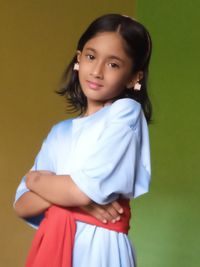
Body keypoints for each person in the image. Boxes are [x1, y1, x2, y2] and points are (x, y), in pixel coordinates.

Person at [14, 13, 152, 267]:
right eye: (91, 57)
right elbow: (22, 204)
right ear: (79, 58)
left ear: (134, 77)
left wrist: (38, 180)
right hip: (54, 240)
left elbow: (82, 190)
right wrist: (78, 199)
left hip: (101, 248)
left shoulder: (125, 113)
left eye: (113, 64)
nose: (97, 71)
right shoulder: (60, 132)